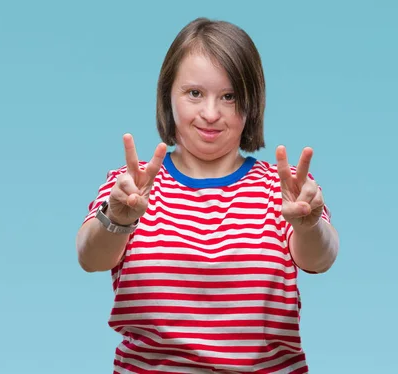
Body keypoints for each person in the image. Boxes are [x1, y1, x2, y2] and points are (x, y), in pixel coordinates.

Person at [75, 17, 340, 374]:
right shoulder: (132, 184)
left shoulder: (285, 187)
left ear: (251, 102)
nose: (211, 114)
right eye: (195, 93)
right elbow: (90, 258)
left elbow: (320, 259)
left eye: (229, 97)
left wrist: (308, 226)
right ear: (169, 95)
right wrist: (119, 219)